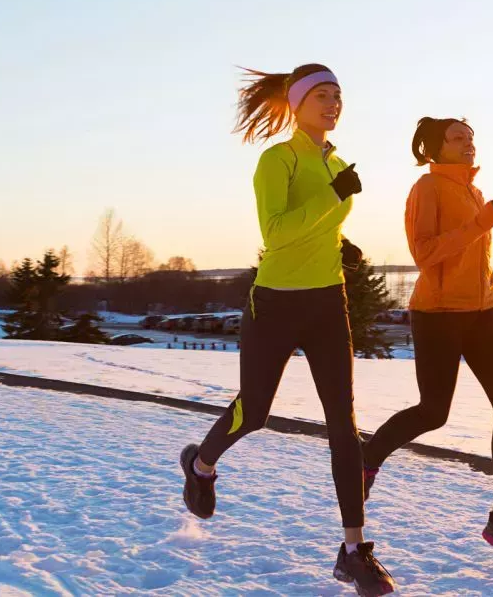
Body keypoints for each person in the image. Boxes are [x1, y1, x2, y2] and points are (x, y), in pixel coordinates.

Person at [178, 63, 395, 595]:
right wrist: (332, 198)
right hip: (274, 302)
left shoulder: (336, 161)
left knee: (343, 426)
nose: (334, 102)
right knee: (254, 412)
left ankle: (353, 551)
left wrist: (341, 244)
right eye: (323, 94)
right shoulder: (277, 159)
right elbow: (275, 234)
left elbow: (316, 226)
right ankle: (201, 465)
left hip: (327, 302)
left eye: (339, 95)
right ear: (296, 104)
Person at [362, 117, 493, 568]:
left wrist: (490, 285)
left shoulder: (473, 190)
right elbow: (424, 253)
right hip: (438, 314)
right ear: (434, 148)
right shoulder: (428, 189)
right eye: (458, 138)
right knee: (434, 412)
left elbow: (474, 254)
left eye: (472, 138)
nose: (469, 145)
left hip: (482, 312)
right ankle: (370, 455)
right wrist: (481, 223)